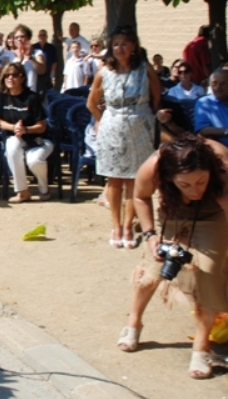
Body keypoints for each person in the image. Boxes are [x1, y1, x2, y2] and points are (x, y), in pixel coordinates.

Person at [119, 134, 228, 379]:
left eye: (201, 181)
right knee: (153, 269)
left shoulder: (221, 163)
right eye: (185, 184)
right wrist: (150, 235)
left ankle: (202, 346)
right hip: (172, 213)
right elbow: (140, 196)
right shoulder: (154, 166)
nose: (195, 190)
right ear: (169, 178)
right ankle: (133, 322)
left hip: (212, 217)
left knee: (208, 275)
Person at [87, 25, 161, 249]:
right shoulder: (104, 72)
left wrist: (147, 116)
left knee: (133, 179)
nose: (120, 48)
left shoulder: (144, 69)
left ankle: (129, 225)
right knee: (114, 179)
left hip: (139, 126)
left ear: (133, 46)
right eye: (116, 44)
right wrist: (102, 120)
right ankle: (116, 225)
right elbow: (91, 103)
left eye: (125, 43)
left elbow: (156, 95)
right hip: (112, 126)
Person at [0, 62, 54, 203]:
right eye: (7, 75)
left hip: (38, 140)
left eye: (14, 75)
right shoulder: (2, 97)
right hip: (17, 137)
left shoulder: (32, 97)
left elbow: (42, 126)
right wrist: (14, 128)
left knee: (34, 161)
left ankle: (44, 188)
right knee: (12, 146)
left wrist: (26, 129)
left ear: (22, 78)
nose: (10, 78)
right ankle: (23, 191)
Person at [194, 69, 228, 146]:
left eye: (223, 83)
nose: (218, 87)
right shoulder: (204, 102)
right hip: (221, 151)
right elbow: (202, 130)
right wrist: (226, 131)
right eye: (214, 83)